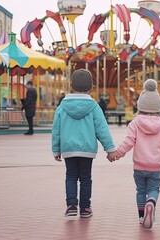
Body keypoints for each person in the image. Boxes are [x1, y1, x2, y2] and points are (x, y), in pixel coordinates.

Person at [110, 79, 160, 229]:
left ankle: (141, 216)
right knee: (153, 189)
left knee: (140, 190)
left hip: (139, 166)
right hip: (155, 167)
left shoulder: (134, 123)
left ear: (140, 105)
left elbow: (128, 142)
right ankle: (151, 203)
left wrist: (117, 153)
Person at [52, 69, 118, 218]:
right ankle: (85, 207)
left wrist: (56, 149)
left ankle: (71, 205)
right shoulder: (94, 107)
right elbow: (102, 129)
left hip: (68, 148)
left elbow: (56, 129)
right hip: (87, 149)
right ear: (92, 87)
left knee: (70, 176)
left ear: (70, 85)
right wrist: (110, 148)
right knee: (85, 178)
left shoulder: (62, 107)